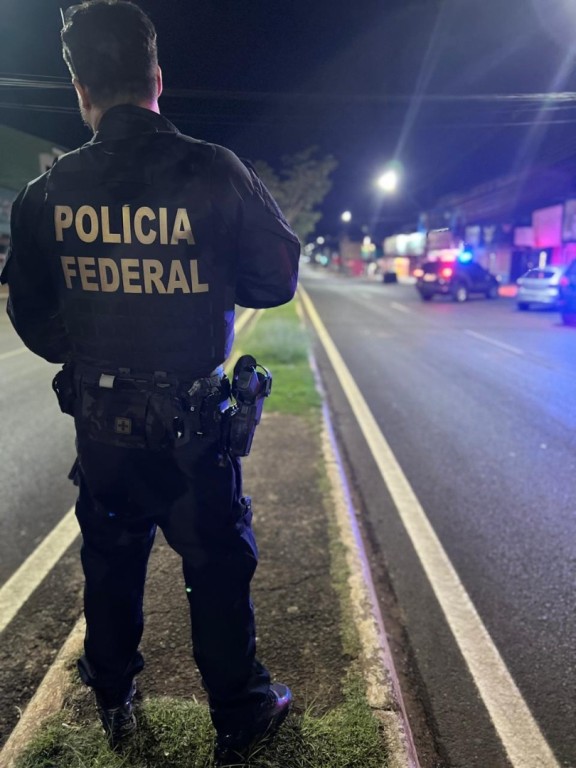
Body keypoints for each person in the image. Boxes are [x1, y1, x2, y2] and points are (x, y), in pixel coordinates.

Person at [1, 1, 300, 763]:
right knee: (217, 569)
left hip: (103, 427)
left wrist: (94, 345)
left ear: (80, 89)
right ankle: (240, 713)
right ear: (157, 78)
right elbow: (275, 278)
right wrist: (203, 275)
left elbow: (30, 313)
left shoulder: (47, 193)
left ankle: (113, 693)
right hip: (196, 433)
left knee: (110, 560)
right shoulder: (214, 169)